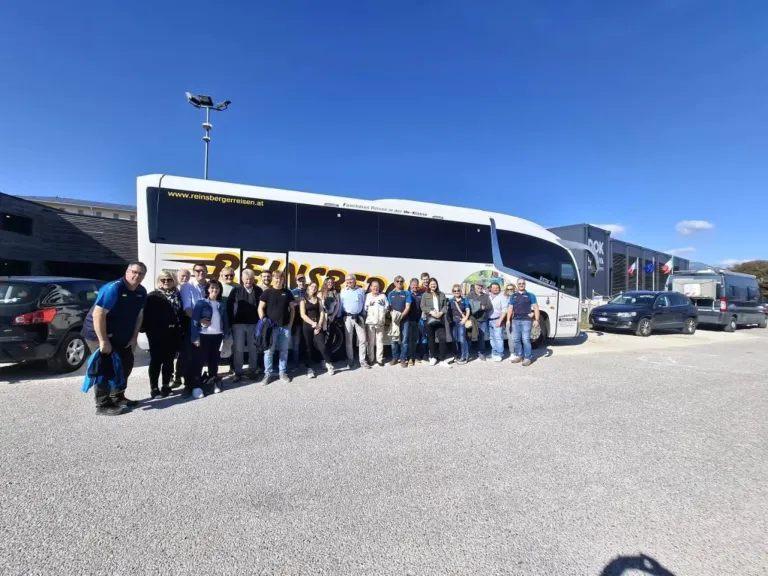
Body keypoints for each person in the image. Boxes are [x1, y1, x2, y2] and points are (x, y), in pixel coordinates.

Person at [81, 262, 148, 415]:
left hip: (122, 336)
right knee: (105, 368)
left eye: (141, 274)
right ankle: (103, 404)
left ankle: (118, 396)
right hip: (98, 335)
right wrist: (103, 341)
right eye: (134, 272)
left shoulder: (141, 291)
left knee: (125, 365)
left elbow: (139, 316)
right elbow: (98, 314)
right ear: (127, 271)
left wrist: (134, 337)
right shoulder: (114, 288)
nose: (137, 276)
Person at [142, 271, 184, 398]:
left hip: (173, 333)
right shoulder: (153, 296)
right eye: (163, 280)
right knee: (156, 361)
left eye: (169, 279)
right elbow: (147, 317)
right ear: (158, 281)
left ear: (173, 281)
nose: (166, 282)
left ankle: (166, 386)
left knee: (169, 361)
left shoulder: (178, 295)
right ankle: (154, 388)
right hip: (156, 334)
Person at [188, 279, 229, 396]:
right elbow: (194, 321)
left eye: (217, 288)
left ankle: (212, 383)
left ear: (220, 290)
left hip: (217, 336)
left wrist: (226, 334)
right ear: (207, 289)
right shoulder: (201, 303)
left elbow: (225, 320)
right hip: (203, 336)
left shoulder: (222, 304)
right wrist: (195, 338)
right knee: (199, 362)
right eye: (212, 288)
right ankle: (196, 387)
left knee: (213, 362)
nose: (214, 290)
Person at [258, 270, 295, 383]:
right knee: (269, 351)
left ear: (283, 280)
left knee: (284, 351)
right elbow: (260, 308)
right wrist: (264, 321)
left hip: (284, 327)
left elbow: (292, 309)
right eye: (276, 278)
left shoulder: (287, 293)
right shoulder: (267, 292)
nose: (278, 280)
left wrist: (290, 324)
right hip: (271, 328)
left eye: (281, 278)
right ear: (273, 279)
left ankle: (282, 373)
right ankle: (267, 374)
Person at [228, 269, 262, 382]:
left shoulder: (258, 291)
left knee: (253, 348)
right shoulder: (236, 291)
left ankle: (253, 370)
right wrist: (230, 323)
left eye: (251, 278)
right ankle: (238, 372)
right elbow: (229, 307)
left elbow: (262, 307)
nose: (249, 281)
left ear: (254, 279)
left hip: (254, 324)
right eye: (246, 278)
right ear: (242, 279)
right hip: (238, 324)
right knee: (238, 348)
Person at [179, 264, 208, 388]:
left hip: (206, 326)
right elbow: (187, 309)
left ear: (206, 272)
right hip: (192, 325)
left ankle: (197, 379)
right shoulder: (187, 286)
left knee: (200, 355)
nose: (200, 273)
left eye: (203, 271)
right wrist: (200, 320)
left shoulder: (208, 286)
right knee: (189, 355)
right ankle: (188, 384)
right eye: (197, 271)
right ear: (194, 272)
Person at [299, 282, 336, 378]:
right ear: (308, 288)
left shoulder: (318, 299)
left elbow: (322, 312)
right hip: (307, 326)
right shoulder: (303, 300)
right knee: (309, 348)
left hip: (318, 326)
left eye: (315, 287)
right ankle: (310, 369)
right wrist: (313, 324)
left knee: (322, 346)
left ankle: (328, 364)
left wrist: (319, 325)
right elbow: (303, 315)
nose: (314, 288)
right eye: (312, 286)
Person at [507, 278, 540, 366]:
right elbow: (510, 308)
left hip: (526, 321)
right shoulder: (513, 296)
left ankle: (528, 358)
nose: (521, 285)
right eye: (519, 283)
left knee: (525, 340)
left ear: (525, 284)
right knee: (516, 339)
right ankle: (519, 356)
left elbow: (536, 308)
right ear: (517, 285)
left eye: (523, 283)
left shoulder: (530, 295)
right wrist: (508, 320)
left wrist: (537, 320)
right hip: (515, 321)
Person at [340, 273, 369, 369]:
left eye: (351, 279)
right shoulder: (343, 291)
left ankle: (362, 360)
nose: (349, 281)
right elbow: (340, 305)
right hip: (347, 318)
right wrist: (340, 316)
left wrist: (364, 316)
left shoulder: (360, 291)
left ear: (355, 281)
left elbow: (364, 303)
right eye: (347, 280)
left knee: (362, 339)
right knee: (348, 340)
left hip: (359, 317)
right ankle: (350, 360)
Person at [421, 278, 451, 368]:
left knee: (442, 339)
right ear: (429, 285)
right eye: (431, 284)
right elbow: (422, 306)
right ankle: (433, 357)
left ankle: (442, 359)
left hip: (440, 320)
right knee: (431, 339)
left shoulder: (441, 294)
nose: (433, 285)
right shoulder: (425, 295)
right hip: (430, 319)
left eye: (434, 284)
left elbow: (445, 306)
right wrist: (431, 312)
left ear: (437, 285)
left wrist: (441, 313)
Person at [387, 276, 412, 367]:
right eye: (397, 281)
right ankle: (395, 358)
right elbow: (389, 307)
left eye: (401, 281)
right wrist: (393, 317)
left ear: (403, 282)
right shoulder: (390, 294)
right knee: (394, 340)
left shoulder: (406, 293)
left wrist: (400, 317)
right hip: (394, 321)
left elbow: (408, 307)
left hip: (405, 320)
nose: (399, 282)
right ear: (394, 283)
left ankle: (402, 359)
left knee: (404, 340)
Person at [219, 267, 239, 375]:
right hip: (218, 320)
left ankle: (232, 366)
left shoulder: (238, 287)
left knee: (233, 344)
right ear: (221, 275)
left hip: (232, 320)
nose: (229, 277)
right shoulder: (218, 286)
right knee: (217, 343)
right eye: (226, 275)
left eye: (231, 275)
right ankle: (214, 369)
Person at [364, 279, 388, 366]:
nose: (375, 288)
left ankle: (380, 359)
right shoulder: (367, 296)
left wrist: (381, 315)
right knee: (370, 341)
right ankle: (370, 358)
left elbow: (387, 307)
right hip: (370, 322)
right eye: (374, 286)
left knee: (380, 341)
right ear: (370, 287)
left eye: (377, 287)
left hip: (380, 322)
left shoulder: (383, 296)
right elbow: (364, 308)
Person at [467, 281, 492, 361]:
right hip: (472, 319)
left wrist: (478, 306)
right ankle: (467, 353)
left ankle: (481, 353)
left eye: (481, 286)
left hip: (482, 320)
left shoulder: (485, 296)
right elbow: (467, 305)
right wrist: (481, 307)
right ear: (475, 286)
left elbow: (489, 306)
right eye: (478, 285)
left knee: (481, 337)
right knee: (469, 336)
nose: (480, 287)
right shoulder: (470, 295)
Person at [448, 284, 471, 365]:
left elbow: (468, 310)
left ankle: (465, 356)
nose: (456, 292)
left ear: (460, 291)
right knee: (454, 339)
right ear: (452, 292)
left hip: (461, 322)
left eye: (458, 290)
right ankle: (457, 355)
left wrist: (465, 319)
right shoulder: (450, 301)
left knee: (462, 339)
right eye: (455, 291)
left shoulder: (465, 300)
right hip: (453, 322)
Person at [406, 278, 426, 365]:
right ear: (410, 285)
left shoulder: (420, 294)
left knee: (420, 337)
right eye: (413, 284)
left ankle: (419, 355)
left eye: (416, 284)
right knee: (411, 339)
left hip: (420, 319)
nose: (414, 286)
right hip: (410, 319)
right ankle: (410, 358)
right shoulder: (407, 294)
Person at [290, 275, 307, 373]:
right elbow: (290, 306)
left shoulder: (308, 292)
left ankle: (307, 364)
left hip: (307, 322)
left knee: (306, 343)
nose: (301, 283)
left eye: (303, 281)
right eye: (299, 281)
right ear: (296, 282)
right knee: (296, 344)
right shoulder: (292, 292)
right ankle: (296, 365)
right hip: (296, 322)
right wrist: (299, 303)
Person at [487, 281, 509, 362]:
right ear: (490, 289)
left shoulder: (502, 297)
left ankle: (500, 354)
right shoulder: (488, 296)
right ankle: (494, 353)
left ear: (499, 289)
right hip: (489, 320)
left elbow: (504, 310)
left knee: (498, 338)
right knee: (492, 338)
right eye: (493, 288)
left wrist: (500, 320)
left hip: (497, 319)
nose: (495, 289)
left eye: (497, 288)